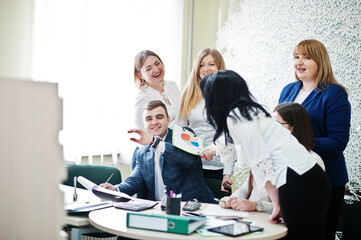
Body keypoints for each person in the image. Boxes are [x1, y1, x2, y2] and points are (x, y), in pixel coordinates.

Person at [201, 70, 331, 239]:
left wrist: (277, 203)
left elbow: (260, 161)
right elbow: (231, 143)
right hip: (311, 177)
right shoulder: (249, 111)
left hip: (299, 179)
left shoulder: (236, 116)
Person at [279, 39, 351, 240]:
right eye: (296, 57)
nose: (299, 62)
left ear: (320, 61)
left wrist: (296, 141)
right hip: (291, 178)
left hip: (324, 181)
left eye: (306, 57)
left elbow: (337, 143)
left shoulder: (334, 93)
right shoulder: (288, 90)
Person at [218, 102, 325, 214]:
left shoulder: (312, 161)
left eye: (277, 124)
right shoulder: (266, 152)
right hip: (250, 216)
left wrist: (257, 206)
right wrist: (233, 198)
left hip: (277, 222)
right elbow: (247, 186)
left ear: (296, 127)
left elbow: (298, 206)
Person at [100, 100, 215, 203]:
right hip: (159, 210)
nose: (154, 122)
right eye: (149, 119)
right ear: (144, 124)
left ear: (168, 119)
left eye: (159, 117)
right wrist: (115, 189)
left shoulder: (185, 134)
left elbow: (189, 160)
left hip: (194, 207)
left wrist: (155, 143)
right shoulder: (142, 152)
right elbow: (134, 181)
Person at [176, 48, 235, 193]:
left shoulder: (229, 95)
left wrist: (227, 173)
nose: (206, 69)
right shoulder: (189, 93)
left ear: (219, 67)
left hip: (218, 167)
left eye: (211, 64)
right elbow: (179, 130)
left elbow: (231, 137)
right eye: (201, 65)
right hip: (191, 165)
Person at [133, 50, 180, 130]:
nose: (156, 70)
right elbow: (143, 133)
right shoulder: (143, 99)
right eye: (148, 69)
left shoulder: (173, 85)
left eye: (157, 64)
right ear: (140, 75)